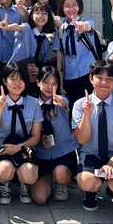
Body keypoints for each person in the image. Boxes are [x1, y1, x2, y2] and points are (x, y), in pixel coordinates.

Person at [72, 60, 113, 213]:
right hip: (91, 153)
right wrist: (86, 115)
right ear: (91, 78)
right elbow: (81, 140)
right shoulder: (80, 104)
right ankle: (91, 193)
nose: (104, 82)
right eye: (99, 77)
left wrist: (111, 165)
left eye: (109, 79)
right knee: (86, 182)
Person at [0, 63, 42, 205]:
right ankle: (4, 183)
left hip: (25, 147)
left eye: (21, 79)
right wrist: (0, 108)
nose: (17, 83)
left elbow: (36, 137)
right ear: (4, 81)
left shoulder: (33, 103)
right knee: (4, 170)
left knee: (30, 175)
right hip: (2, 148)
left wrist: (18, 147)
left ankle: (23, 182)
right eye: (12, 79)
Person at [31, 66, 79, 203]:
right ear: (38, 82)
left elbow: (65, 103)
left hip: (63, 153)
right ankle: (48, 180)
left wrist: (61, 102)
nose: (49, 87)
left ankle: (61, 184)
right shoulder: (32, 103)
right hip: (41, 155)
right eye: (46, 82)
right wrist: (40, 138)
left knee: (61, 174)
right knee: (40, 198)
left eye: (54, 84)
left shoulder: (62, 100)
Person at [1, 1, 57, 91]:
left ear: (49, 17)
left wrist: (39, 69)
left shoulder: (45, 40)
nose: (40, 16)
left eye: (44, 13)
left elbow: (44, 62)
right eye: (37, 13)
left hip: (32, 78)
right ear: (31, 16)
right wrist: (8, 27)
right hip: (17, 74)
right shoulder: (27, 28)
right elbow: (18, 27)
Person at [54, 0, 97, 102]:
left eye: (74, 5)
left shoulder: (87, 21)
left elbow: (89, 26)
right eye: (67, 6)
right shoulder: (60, 30)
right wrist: (61, 85)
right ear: (62, 8)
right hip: (69, 77)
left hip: (89, 74)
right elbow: (60, 61)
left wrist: (82, 26)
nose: (71, 9)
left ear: (80, 6)